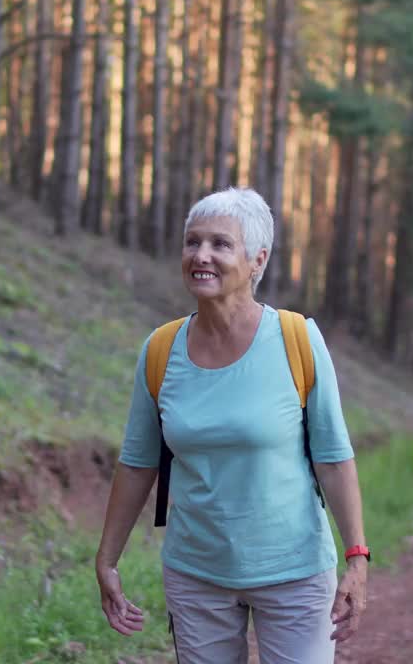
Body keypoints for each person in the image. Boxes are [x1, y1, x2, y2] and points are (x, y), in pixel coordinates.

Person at [95, 187, 369, 663]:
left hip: (295, 571)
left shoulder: (296, 339)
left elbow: (333, 458)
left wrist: (357, 559)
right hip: (196, 573)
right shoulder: (161, 350)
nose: (201, 255)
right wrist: (107, 559)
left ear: (257, 260)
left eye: (220, 244)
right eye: (192, 242)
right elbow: (138, 464)